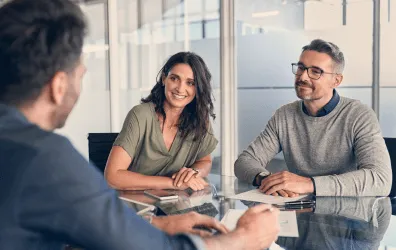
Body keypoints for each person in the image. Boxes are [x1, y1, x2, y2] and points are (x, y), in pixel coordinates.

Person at [0, 0, 280, 249]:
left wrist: (159, 224)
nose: (181, 87)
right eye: (81, 74)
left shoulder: (19, 147)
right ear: (59, 85)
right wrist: (243, 238)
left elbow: (78, 225)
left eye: (190, 83)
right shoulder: (47, 159)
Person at [235, 39, 392, 197]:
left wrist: (309, 184)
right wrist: (266, 179)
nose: (303, 76)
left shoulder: (358, 115)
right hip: (298, 213)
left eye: (316, 71)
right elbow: (245, 161)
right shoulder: (284, 115)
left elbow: (380, 179)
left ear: (336, 80)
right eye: (301, 68)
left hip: (349, 215)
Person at [105, 52, 218, 191]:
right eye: (174, 78)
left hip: (175, 205)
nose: (180, 88)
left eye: (190, 83)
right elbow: (113, 176)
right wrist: (173, 184)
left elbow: (204, 161)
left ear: (198, 88)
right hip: (134, 204)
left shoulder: (200, 120)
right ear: (164, 79)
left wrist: (194, 173)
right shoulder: (140, 115)